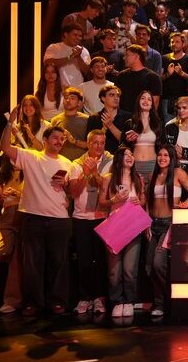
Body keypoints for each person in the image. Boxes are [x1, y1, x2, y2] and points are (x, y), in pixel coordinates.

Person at [0, 113, 79, 316]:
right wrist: (10, 123)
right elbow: (5, 147)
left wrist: (66, 184)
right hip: (32, 216)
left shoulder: (67, 163)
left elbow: (72, 192)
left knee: (59, 263)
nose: (59, 141)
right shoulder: (31, 156)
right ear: (45, 139)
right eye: (55, 138)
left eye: (62, 139)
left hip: (59, 219)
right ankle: (33, 303)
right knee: (32, 264)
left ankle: (58, 301)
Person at [145, 145, 188, 316]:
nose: (162, 158)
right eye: (160, 155)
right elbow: (148, 202)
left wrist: (184, 204)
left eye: (166, 155)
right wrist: (147, 223)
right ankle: (159, 302)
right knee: (149, 267)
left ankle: (165, 302)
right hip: (153, 224)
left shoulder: (178, 173)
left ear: (171, 157)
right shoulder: (153, 175)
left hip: (169, 225)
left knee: (158, 264)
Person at [67, 130, 113, 314]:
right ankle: (85, 297)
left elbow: (109, 189)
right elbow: (73, 192)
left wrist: (95, 172)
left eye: (102, 143)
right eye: (95, 142)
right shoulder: (76, 164)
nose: (99, 146)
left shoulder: (110, 163)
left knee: (101, 260)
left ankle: (100, 298)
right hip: (81, 217)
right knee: (84, 260)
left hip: (102, 216)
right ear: (88, 144)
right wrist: (85, 174)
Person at [97, 147, 145, 318]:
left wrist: (140, 200)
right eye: (126, 154)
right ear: (118, 158)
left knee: (129, 270)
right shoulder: (109, 178)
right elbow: (101, 202)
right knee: (114, 271)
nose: (130, 157)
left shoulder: (138, 178)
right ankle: (116, 301)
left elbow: (143, 199)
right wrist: (114, 199)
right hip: (115, 226)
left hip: (133, 226)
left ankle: (129, 301)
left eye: (131, 154)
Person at [123, 91, 162, 182]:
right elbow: (122, 145)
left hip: (153, 164)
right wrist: (128, 141)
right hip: (134, 164)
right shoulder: (130, 123)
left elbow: (163, 145)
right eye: (143, 98)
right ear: (138, 102)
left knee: (151, 190)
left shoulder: (158, 123)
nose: (145, 101)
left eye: (149, 99)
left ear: (152, 105)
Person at [160, 32, 188, 123]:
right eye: (172, 42)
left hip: (184, 99)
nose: (174, 44)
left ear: (183, 44)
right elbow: (159, 79)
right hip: (167, 99)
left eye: (177, 42)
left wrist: (181, 73)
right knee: (168, 124)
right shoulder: (164, 58)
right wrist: (168, 74)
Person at [115, 45, 162, 112]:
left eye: (127, 55)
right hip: (123, 116)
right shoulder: (121, 75)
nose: (124, 58)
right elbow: (116, 97)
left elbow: (154, 104)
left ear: (136, 56)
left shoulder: (153, 78)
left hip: (142, 116)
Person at [43, 23, 90, 88]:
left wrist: (78, 57)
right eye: (75, 35)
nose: (78, 38)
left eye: (80, 36)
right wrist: (70, 57)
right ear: (66, 34)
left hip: (77, 89)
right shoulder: (54, 47)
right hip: (57, 89)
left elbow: (88, 71)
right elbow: (47, 63)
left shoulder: (83, 50)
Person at [86, 85, 130, 155]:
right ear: (103, 98)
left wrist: (110, 125)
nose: (116, 98)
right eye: (112, 95)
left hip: (121, 157)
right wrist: (104, 129)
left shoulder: (128, 117)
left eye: (118, 95)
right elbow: (90, 143)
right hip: (100, 157)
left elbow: (127, 142)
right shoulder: (94, 118)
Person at [50, 87, 89, 161]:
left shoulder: (87, 119)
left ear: (79, 103)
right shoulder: (55, 120)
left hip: (82, 161)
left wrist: (74, 141)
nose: (68, 100)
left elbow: (92, 145)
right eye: (66, 98)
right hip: (61, 161)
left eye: (72, 98)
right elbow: (51, 144)